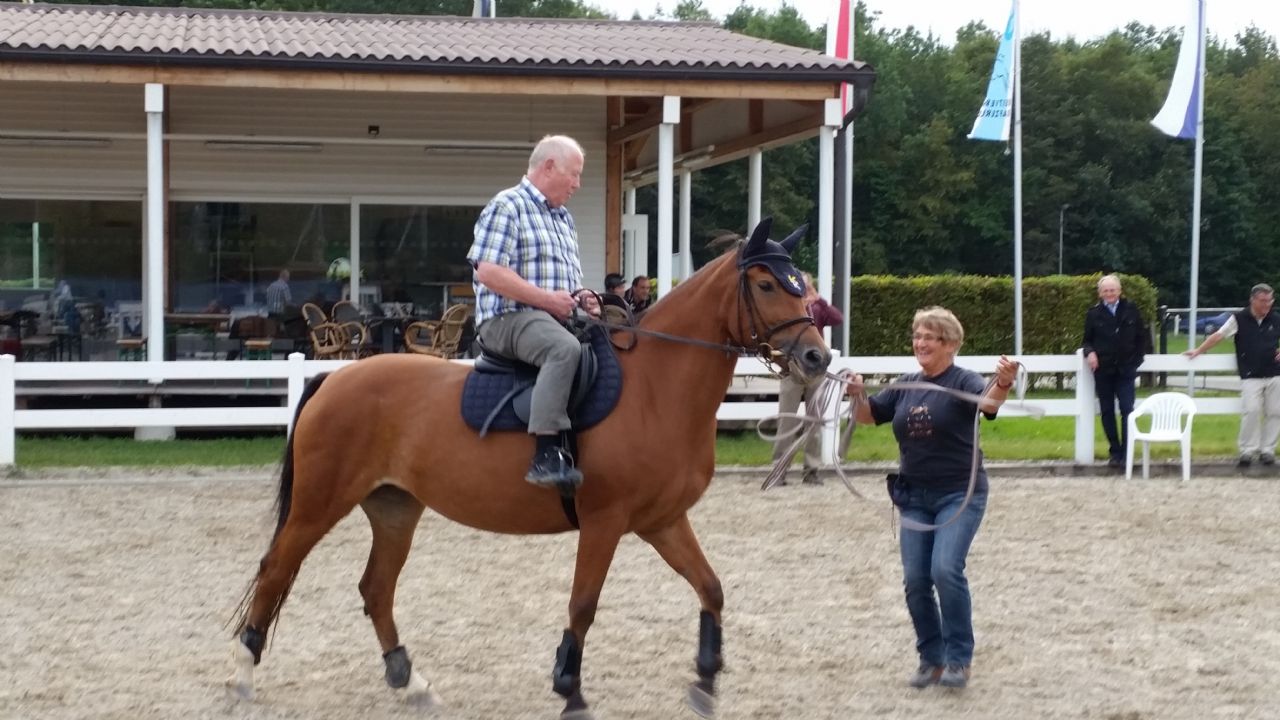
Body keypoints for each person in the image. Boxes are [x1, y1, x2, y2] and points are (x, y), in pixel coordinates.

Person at [845, 307, 1017, 690]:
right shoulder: (906, 384)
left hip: (959, 493)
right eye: (917, 336)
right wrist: (857, 394)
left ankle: (959, 658)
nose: (920, 343)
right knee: (915, 580)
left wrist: (1002, 382)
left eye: (929, 337)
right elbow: (870, 416)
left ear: (950, 345)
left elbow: (988, 404)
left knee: (945, 570)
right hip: (914, 495)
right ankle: (931, 658)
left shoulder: (964, 380)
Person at [467, 134, 586, 489]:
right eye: (574, 174)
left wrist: (585, 300)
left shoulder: (564, 218)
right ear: (549, 167)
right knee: (562, 349)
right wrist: (548, 301)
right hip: (506, 319)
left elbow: (568, 281)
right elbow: (487, 271)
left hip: (553, 318)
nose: (578, 184)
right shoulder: (508, 205)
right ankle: (546, 454)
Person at [1185, 283, 1280, 467]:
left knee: (1275, 412)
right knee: (1251, 410)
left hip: (1275, 372)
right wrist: (1199, 350)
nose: (1266, 305)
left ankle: (1267, 449)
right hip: (1250, 373)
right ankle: (1247, 450)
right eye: (1263, 301)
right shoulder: (1239, 318)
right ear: (1252, 300)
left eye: (1270, 301)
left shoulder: (1275, 318)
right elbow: (1220, 335)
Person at [771, 272, 844, 486]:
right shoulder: (786, 309)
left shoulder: (818, 308)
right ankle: (779, 470)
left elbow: (837, 318)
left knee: (814, 421)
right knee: (787, 421)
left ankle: (811, 471)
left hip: (815, 369)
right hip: (792, 368)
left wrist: (818, 298)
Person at [1082, 274, 1151, 468]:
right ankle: (1115, 452)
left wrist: (1136, 361)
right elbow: (1086, 340)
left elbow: (1141, 337)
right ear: (1100, 293)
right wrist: (1090, 353)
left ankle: (1128, 452)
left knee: (1128, 410)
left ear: (1119, 291)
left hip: (1126, 369)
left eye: (1112, 290)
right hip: (1103, 370)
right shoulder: (1093, 314)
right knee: (1107, 412)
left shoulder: (1131, 310)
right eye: (1105, 290)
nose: (1109, 293)